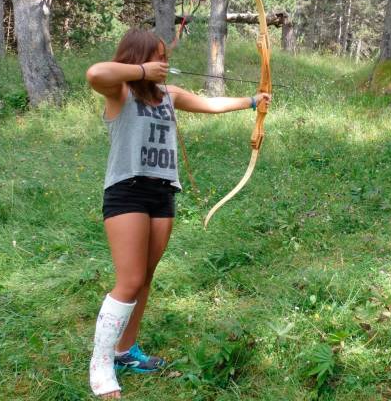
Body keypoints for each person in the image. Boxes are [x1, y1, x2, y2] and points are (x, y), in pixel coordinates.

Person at [85, 28, 271, 399]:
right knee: (130, 279)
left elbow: (210, 103)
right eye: (156, 56)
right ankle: (101, 365)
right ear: (137, 58)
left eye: (164, 57)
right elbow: (95, 73)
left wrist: (253, 100)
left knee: (146, 277)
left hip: (162, 193)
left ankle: (125, 351)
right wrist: (140, 73)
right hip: (127, 191)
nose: (163, 64)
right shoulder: (119, 91)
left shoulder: (170, 95)